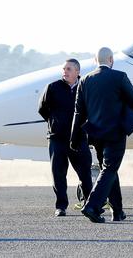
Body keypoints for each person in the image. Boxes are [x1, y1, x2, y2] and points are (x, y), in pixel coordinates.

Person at [70, 47, 133, 223]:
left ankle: (118, 212)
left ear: (95, 60)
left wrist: (74, 138)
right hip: (115, 133)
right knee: (109, 169)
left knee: (109, 169)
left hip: (96, 135)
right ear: (111, 60)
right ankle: (92, 206)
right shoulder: (119, 77)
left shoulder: (85, 80)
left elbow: (78, 112)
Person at [38, 59, 93, 217]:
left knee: (85, 173)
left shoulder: (84, 88)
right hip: (57, 138)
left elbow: (91, 109)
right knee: (58, 174)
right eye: (64, 69)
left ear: (77, 72)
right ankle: (61, 206)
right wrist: (55, 122)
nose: (65, 71)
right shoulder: (53, 87)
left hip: (79, 138)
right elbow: (42, 109)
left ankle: (89, 205)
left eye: (69, 69)